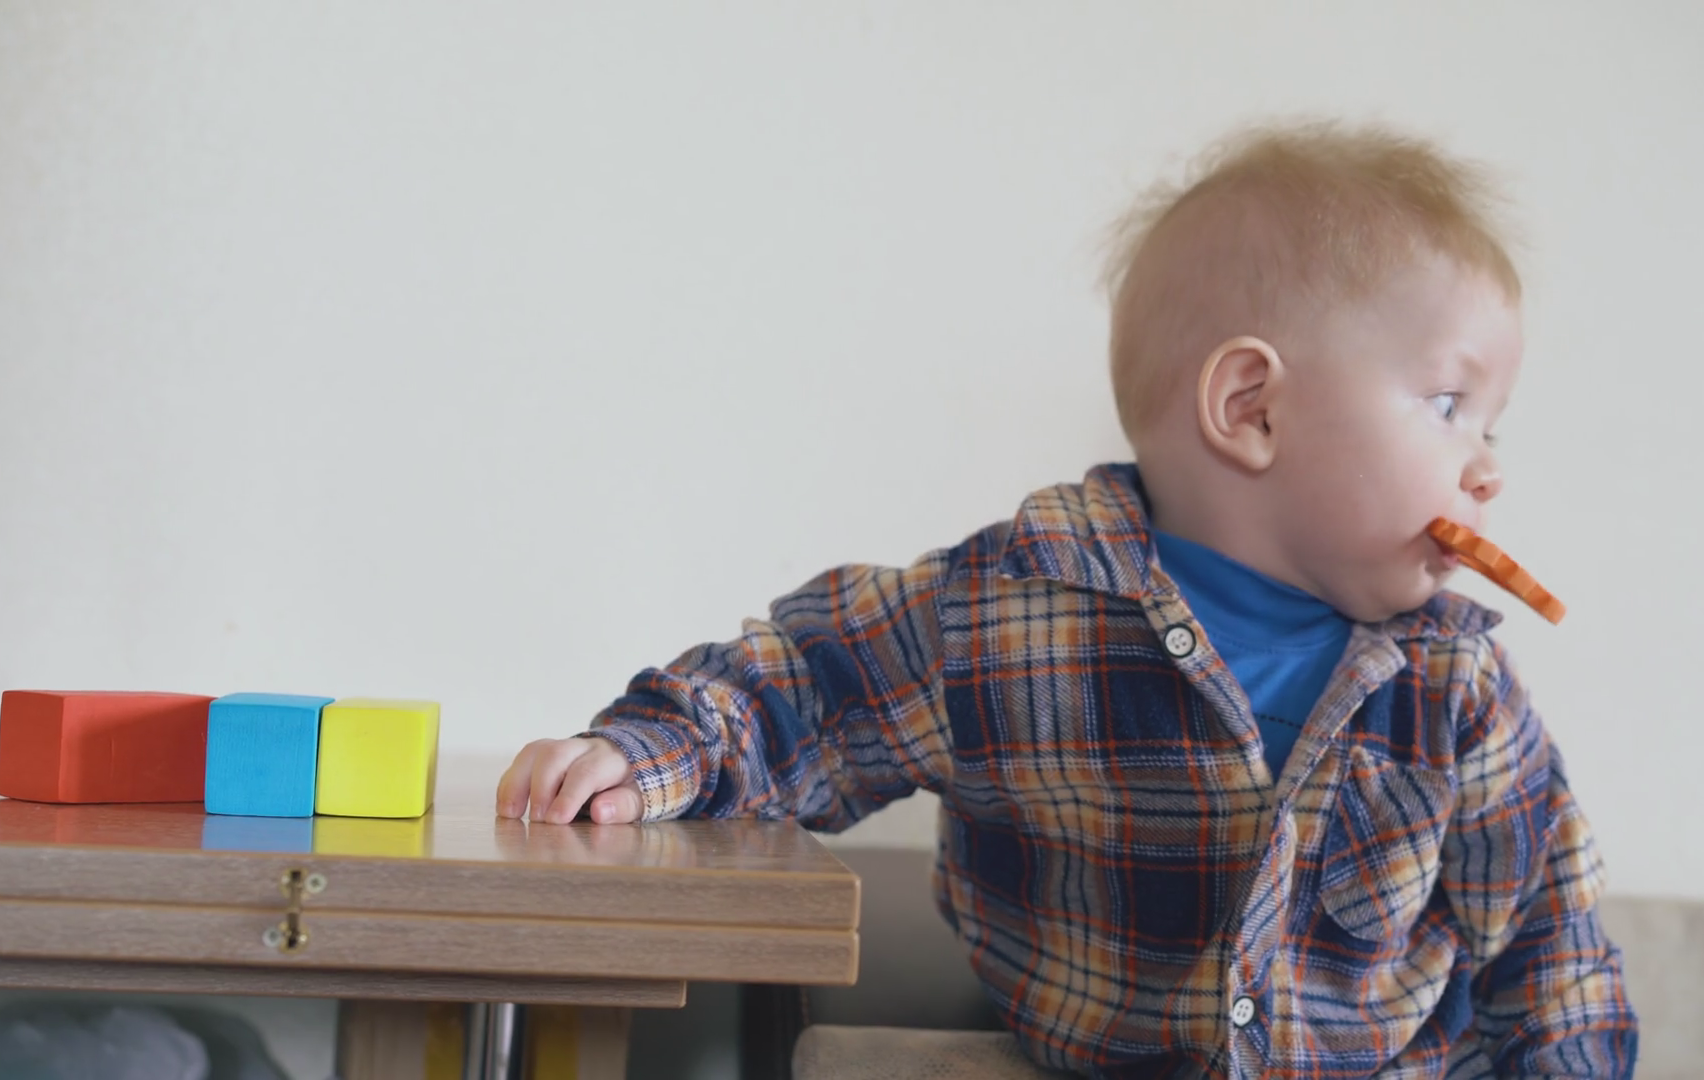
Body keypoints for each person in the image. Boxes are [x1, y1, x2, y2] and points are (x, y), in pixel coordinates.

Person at [498, 119, 1638, 1078]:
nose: (1488, 468)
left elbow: (1548, 942)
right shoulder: (1011, 612)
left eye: (1494, 426)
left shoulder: (1455, 683)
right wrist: (652, 755)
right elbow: (800, 691)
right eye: (1449, 406)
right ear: (1252, 408)